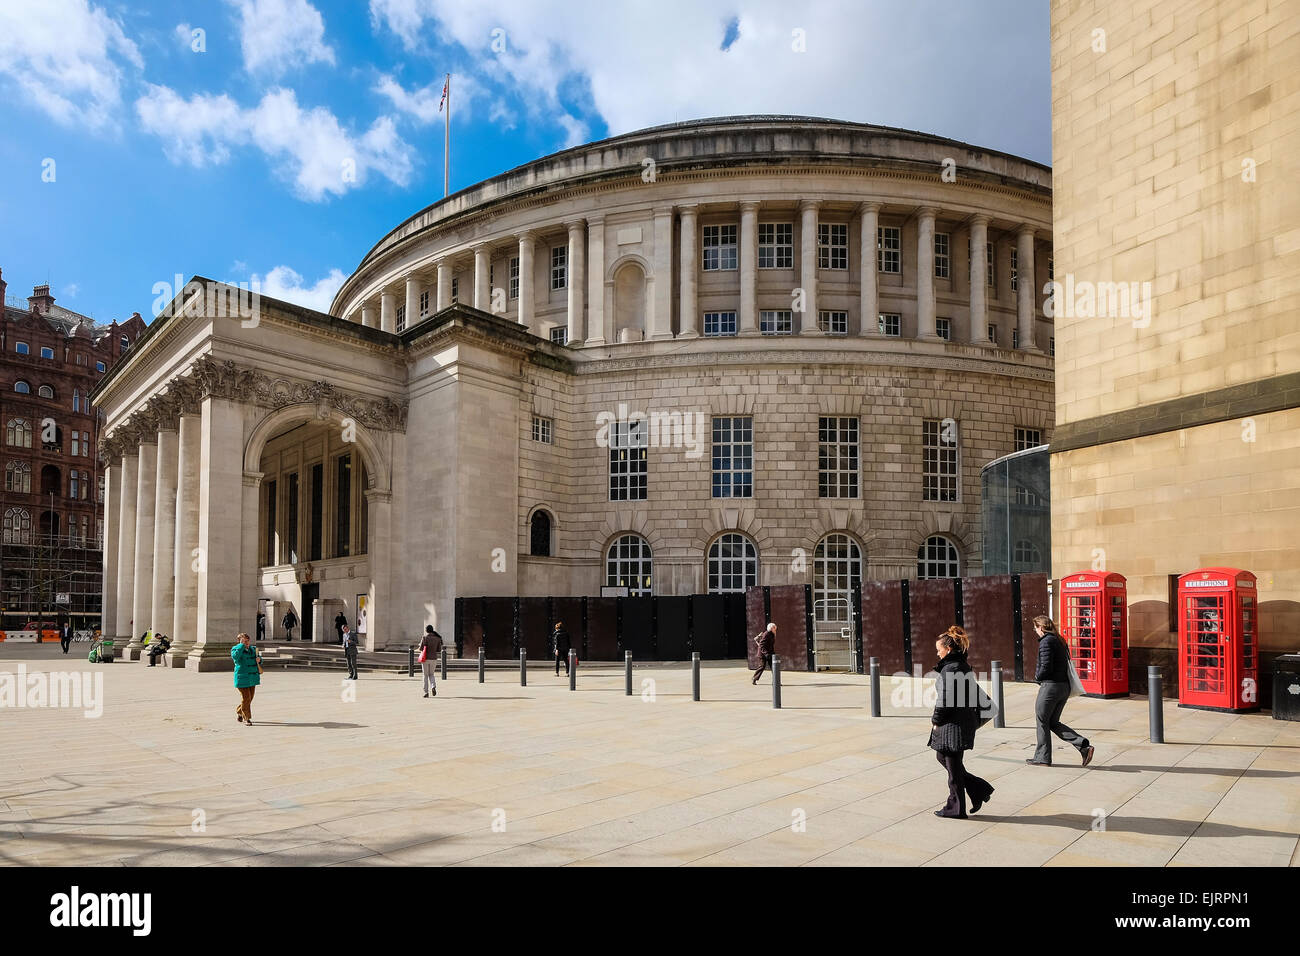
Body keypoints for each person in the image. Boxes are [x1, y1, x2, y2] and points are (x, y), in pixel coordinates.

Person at [929, 625, 995, 819]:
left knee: (953, 766)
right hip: (959, 722)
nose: (937, 653)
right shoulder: (959, 665)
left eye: (939, 649)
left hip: (953, 724)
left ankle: (957, 807)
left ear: (948, 649)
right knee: (945, 759)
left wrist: (936, 720)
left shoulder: (952, 669)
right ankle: (978, 790)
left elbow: (946, 699)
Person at [1028, 614, 1094, 767]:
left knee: (1042, 720)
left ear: (1042, 627)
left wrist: (1037, 677)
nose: (1035, 630)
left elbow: (1046, 666)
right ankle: (1083, 746)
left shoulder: (1046, 641)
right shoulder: (1059, 639)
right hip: (1063, 687)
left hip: (1050, 687)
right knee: (1052, 722)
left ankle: (1042, 758)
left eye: (1036, 627)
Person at [231, 632, 261, 725]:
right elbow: (235, 657)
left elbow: (259, 659)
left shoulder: (253, 649)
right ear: (239, 642)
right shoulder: (236, 649)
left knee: (249, 699)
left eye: (247, 640)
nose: (246, 642)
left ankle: (240, 711)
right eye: (243, 641)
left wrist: (260, 660)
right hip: (242, 678)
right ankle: (246, 718)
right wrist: (241, 646)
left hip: (252, 678)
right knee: (246, 698)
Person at [418, 625, 442, 697]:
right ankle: (433, 686)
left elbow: (421, 648)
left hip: (425, 658)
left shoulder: (425, 638)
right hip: (434, 658)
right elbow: (439, 650)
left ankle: (426, 692)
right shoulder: (438, 638)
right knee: (431, 674)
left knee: (425, 675)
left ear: (427, 630)